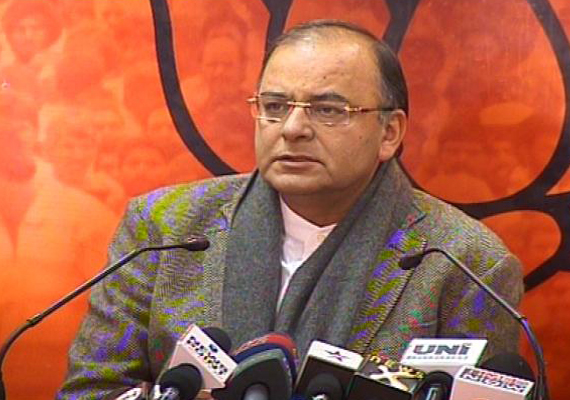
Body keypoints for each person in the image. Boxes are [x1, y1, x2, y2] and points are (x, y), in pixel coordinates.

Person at [56, 20, 523, 399]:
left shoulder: (465, 262)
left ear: (389, 133)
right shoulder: (164, 228)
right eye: (275, 105)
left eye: (328, 110)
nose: (293, 128)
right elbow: (91, 391)